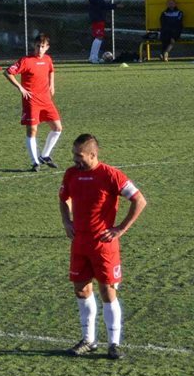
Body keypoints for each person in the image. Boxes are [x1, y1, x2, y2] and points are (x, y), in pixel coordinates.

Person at [59, 134, 147, 360]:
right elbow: (63, 198)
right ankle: (88, 340)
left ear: (92, 154)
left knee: (108, 292)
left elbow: (139, 200)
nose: (75, 159)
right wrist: (66, 221)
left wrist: (120, 229)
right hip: (79, 243)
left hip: (103, 244)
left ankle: (114, 344)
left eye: (79, 156)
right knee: (81, 289)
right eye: (74, 155)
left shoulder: (111, 175)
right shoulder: (71, 174)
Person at [4, 33, 63, 172]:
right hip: (31, 101)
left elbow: (51, 70)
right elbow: (8, 72)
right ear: (34, 46)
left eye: (42, 47)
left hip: (46, 99)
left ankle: (45, 155)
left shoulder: (48, 59)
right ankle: (35, 162)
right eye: (37, 46)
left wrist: (52, 85)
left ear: (47, 47)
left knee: (57, 128)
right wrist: (20, 88)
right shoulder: (26, 60)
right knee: (32, 130)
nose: (39, 49)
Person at [87, 0, 121, 64]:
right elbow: (104, 5)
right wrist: (115, 6)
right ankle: (93, 57)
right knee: (99, 37)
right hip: (97, 19)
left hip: (99, 19)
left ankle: (92, 57)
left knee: (99, 37)